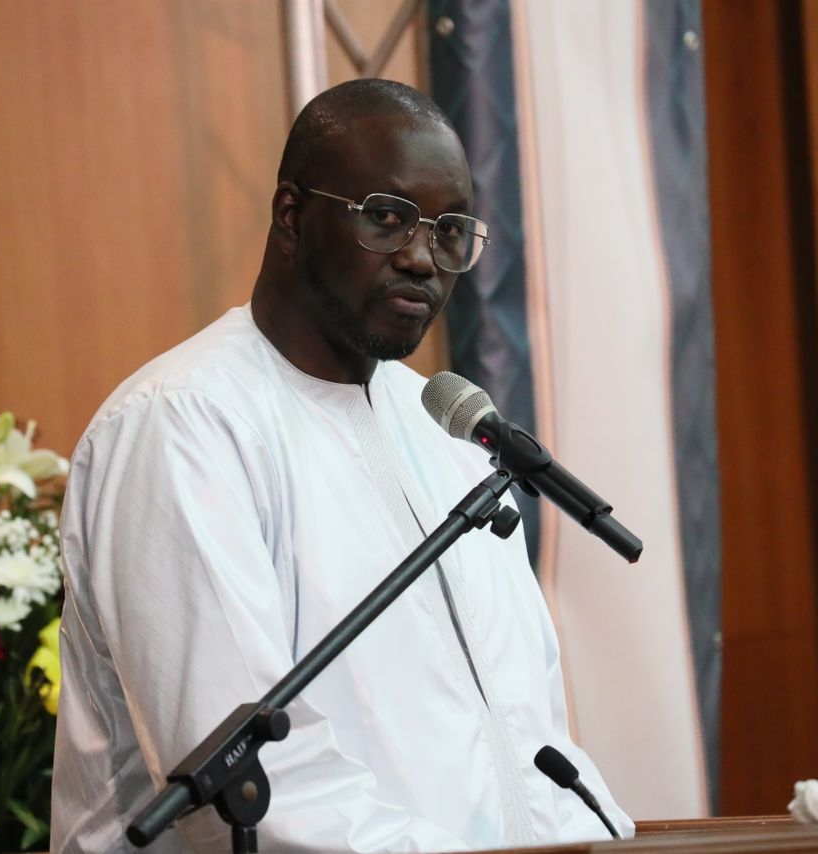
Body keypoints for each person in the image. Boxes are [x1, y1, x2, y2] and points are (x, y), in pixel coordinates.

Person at [52, 78, 632, 852]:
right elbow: (256, 784)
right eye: (389, 220)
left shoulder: (446, 434)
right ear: (291, 217)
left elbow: (532, 744)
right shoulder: (183, 423)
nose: (425, 259)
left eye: (451, 230)